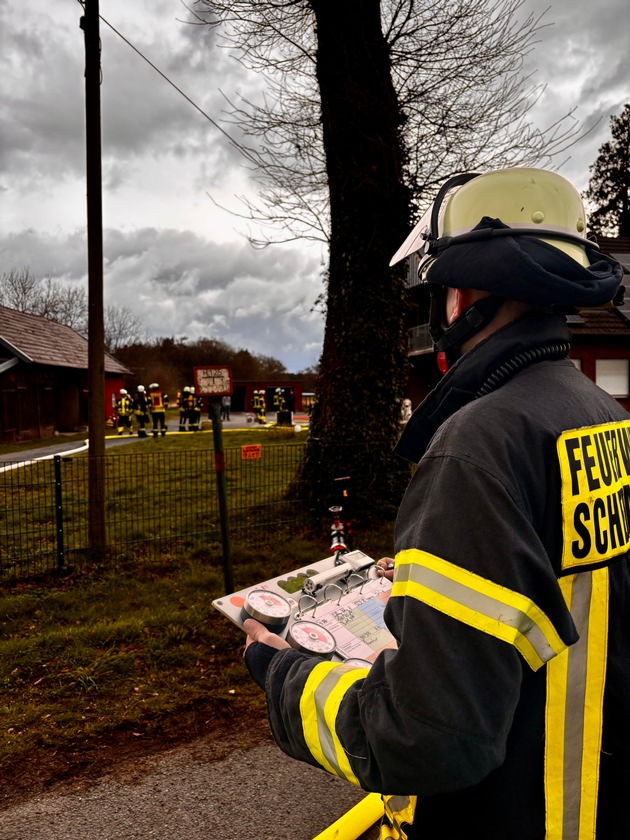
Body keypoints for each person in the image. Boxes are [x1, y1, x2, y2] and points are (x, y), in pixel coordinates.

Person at [240, 168, 629, 839]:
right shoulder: (598, 412)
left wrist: (281, 668)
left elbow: (422, 738)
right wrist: (433, 575)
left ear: (458, 297)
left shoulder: (477, 446)